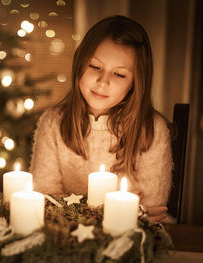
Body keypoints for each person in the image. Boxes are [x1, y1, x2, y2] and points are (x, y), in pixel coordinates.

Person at [30, 15, 173, 223]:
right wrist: (120, 210)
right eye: (95, 67)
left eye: (119, 75)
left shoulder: (151, 129)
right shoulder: (53, 123)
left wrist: (73, 207)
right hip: (66, 239)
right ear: (80, 64)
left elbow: (152, 211)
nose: (102, 81)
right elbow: (45, 200)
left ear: (135, 82)